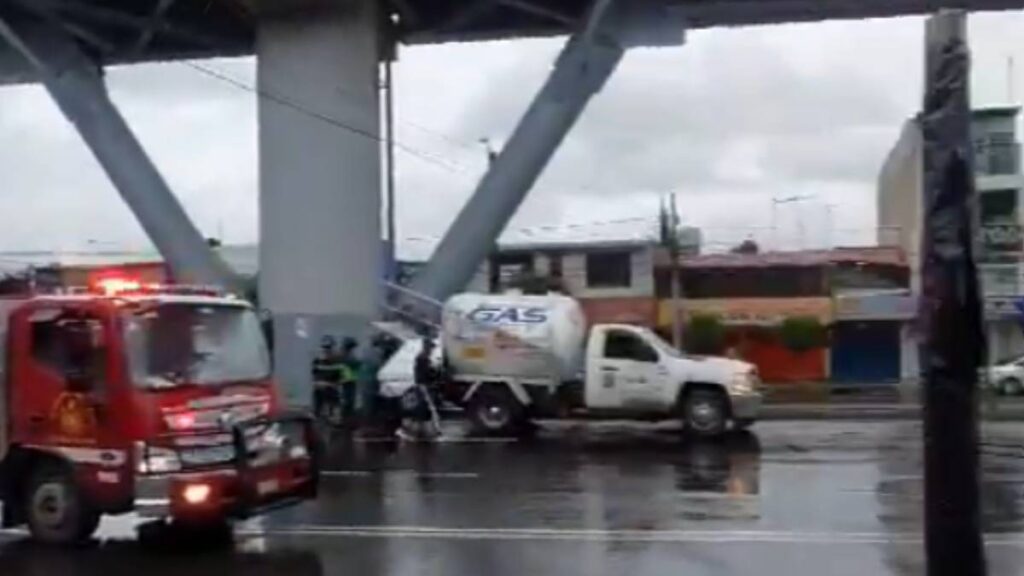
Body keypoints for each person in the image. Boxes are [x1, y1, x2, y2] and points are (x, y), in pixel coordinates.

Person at [399, 337, 443, 440]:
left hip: (422, 386)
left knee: (423, 410)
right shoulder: (422, 358)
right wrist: (435, 373)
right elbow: (425, 374)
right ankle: (423, 431)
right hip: (424, 386)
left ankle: (417, 431)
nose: (432, 350)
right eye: (431, 348)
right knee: (428, 408)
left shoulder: (423, 358)